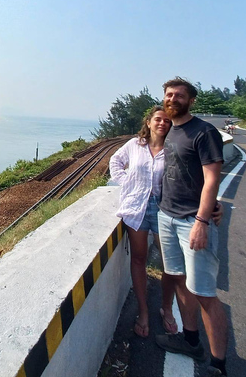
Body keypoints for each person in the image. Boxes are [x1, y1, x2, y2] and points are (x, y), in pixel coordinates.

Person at [155, 77, 229, 377]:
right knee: (180, 279)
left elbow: (212, 179)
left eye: (179, 95)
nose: (173, 99)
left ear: (191, 100)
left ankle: (218, 365)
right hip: (167, 216)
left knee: (205, 293)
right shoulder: (172, 129)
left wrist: (201, 220)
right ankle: (190, 340)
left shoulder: (204, 132)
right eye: (169, 95)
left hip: (191, 222)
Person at [109, 106, 179, 338]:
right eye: (158, 119)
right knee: (139, 258)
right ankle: (143, 311)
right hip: (136, 207)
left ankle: (167, 308)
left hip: (164, 208)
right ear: (148, 122)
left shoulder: (173, 149)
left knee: (170, 262)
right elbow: (115, 161)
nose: (162, 123)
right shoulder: (134, 145)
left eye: (167, 121)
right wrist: (126, 182)